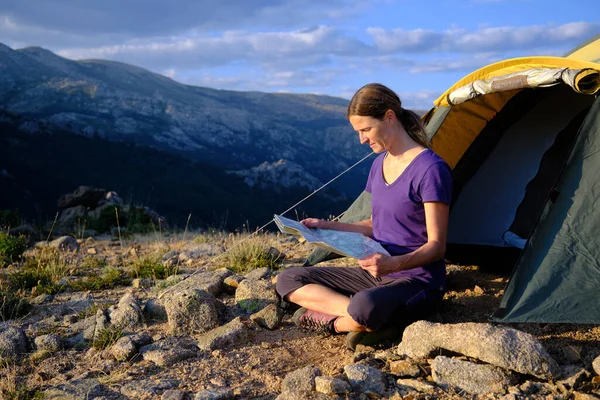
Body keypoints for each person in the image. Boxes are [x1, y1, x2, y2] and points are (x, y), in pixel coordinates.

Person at [275, 83, 453, 349]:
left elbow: (437, 248)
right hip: (375, 273)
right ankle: (362, 320)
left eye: (366, 130)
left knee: (365, 304)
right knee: (287, 278)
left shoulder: (431, 169)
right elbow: (375, 224)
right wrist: (326, 227)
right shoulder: (379, 164)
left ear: (390, 117)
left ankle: (336, 321)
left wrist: (393, 264)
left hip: (417, 278)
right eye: (358, 132)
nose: (362, 139)